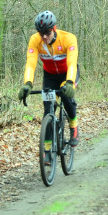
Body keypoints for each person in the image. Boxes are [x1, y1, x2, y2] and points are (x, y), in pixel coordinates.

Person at [18, 11, 80, 159]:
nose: (44, 37)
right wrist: (28, 84)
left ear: (54, 29)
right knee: (48, 110)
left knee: (67, 98)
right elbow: (30, 64)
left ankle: (73, 126)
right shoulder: (35, 40)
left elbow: (72, 63)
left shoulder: (68, 38)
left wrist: (70, 82)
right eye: (41, 34)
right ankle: (47, 150)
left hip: (68, 74)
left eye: (47, 33)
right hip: (50, 76)